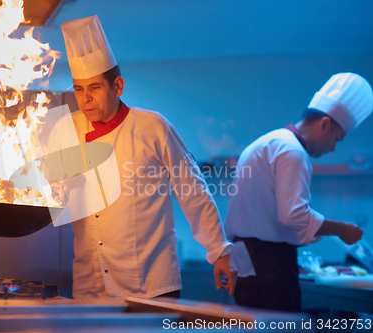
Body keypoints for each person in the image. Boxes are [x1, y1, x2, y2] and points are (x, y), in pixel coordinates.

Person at [48, 15, 237, 299]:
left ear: (118, 86)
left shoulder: (153, 126)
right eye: (78, 89)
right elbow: (50, 194)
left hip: (151, 284)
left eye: (95, 87)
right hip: (91, 285)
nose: (85, 98)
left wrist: (219, 250)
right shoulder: (65, 129)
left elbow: (192, 189)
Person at [224, 72, 373, 312]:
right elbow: (293, 215)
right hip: (268, 266)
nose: (334, 148)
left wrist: (310, 232)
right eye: (337, 138)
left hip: (248, 263)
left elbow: (272, 215)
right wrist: (341, 229)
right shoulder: (293, 151)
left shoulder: (268, 142)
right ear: (324, 124)